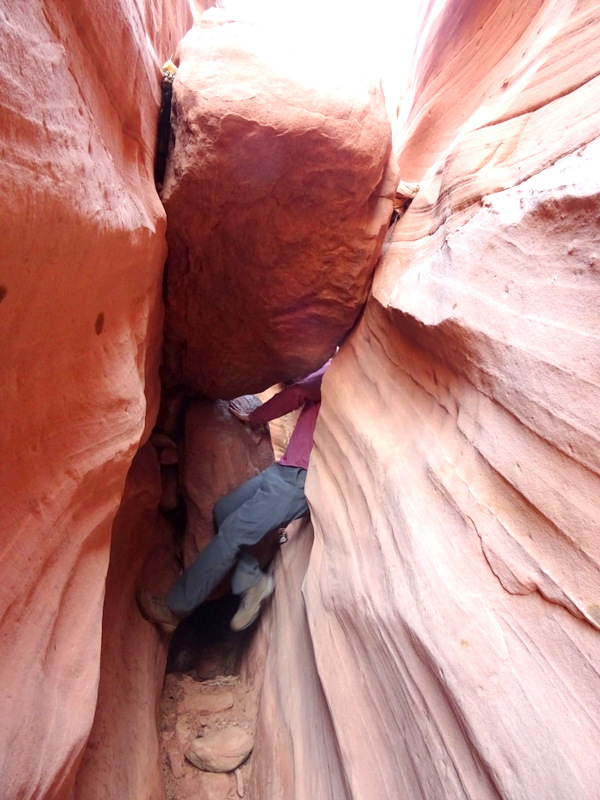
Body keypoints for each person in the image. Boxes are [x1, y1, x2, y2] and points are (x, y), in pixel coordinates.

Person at [139, 360, 330, 633]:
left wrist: (255, 416)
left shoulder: (334, 369)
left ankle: (174, 608)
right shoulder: (328, 370)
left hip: (298, 480)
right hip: (283, 469)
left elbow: (297, 393)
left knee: (233, 533)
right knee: (224, 510)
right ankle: (252, 581)